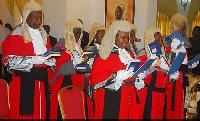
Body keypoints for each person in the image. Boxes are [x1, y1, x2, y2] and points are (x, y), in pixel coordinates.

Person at [2, 1, 55, 119]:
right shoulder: (16, 34)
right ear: (26, 17)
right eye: (35, 18)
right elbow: (8, 62)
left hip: (42, 82)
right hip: (23, 84)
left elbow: (48, 56)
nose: (39, 21)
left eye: (40, 18)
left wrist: (50, 61)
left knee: (42, 112)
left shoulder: (43, 34)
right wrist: (33, 60)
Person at [89, 20, 146, 119]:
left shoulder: (128, 54)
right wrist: (117, 77)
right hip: (111, 100)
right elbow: (95, 81)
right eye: (122, 37)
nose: (126, 41)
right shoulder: (104, 55)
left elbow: (131, 74)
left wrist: (138, 77)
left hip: (128, 100)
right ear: (114, 36)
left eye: (127, 37)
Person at [48, 19, 94, 119]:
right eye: (75, 33)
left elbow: (81, 71)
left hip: (77, 88)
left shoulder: (79, 48)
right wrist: (72, 63)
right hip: (64, 86)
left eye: (79, 33)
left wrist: (88, 67)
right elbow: (53, 69)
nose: (77, 36)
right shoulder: (59, 47)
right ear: (69, 32)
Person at [163, 13, 198, 119]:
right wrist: (173, 52)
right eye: (182, 29)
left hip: (180, 78)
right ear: (176, 28)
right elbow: (167, 64)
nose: (184, 32)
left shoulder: (182, 44)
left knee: (178, 104)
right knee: (170, 105)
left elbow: (182, 64)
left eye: (184, 29)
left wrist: (190, 65)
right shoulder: (167, 43)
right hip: (171, 80)